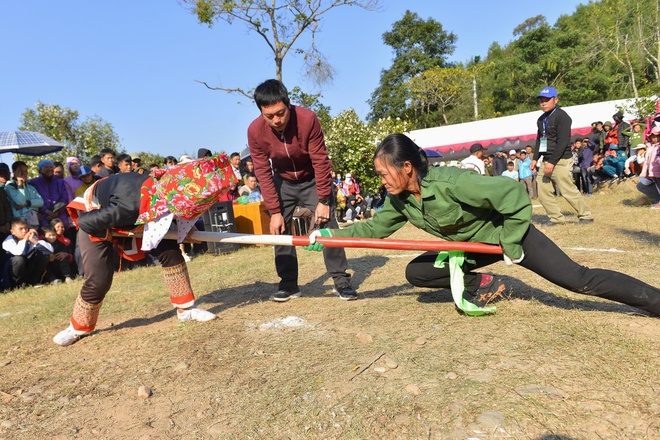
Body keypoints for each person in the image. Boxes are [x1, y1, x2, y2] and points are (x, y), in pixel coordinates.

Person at [305, 133, 660, 316]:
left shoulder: (451, 183)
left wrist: (510, 240)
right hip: (472, 249)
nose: (381, 180)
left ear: (407, 167)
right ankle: (487, 283)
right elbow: (373, 229)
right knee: (418, 273)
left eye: (384, 173)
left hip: (509, 237)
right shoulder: (399, 199)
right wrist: (330, 236)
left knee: (578, 281)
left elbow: (513, 195)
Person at [52, 154, 237, 346]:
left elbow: (176, 206)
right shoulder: (129, 204)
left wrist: (186, 225)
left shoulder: (167, 187)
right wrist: (105, 231)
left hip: (138, 210)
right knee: (99, 279)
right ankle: (78, 327)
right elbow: (85, 222)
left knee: (170, 253)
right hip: (95, 215)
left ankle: (186, 310)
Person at [247, 78, 357, 302]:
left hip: (311, 178)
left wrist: (324, 200)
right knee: (279, 230)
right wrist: (274, 211)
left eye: (280, 113)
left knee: (327, 227)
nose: (276, 120)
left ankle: (341, 281)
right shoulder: (255, 131)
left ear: (288, 104)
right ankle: (288, 284)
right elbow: (262, 171)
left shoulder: (307, 119)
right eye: (269, 116)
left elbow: (320, 159)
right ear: (261, 112)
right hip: (283, 181)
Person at [531, 86, 593, 225]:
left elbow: (563, 142)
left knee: (567, 189)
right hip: (546, 160)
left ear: (556, 99)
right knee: (542, 190)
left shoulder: (562, 117)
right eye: (541, 100)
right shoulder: (541, 120)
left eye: (547, 100)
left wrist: (552, 162)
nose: (543, 103)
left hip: (561, 160)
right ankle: (556, 218)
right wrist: (535, 158)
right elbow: (540, 140)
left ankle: (586, 215)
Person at [2, 217, 50, 288]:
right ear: (12, 232)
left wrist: (34, 240)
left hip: (27, 269)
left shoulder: (30, 237)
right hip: (13, 273)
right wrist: (25, 240)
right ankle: (16, 285)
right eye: (20, 229)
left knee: (44, 256)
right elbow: (20, 252)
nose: (24, 231)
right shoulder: (8, 241)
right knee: (19, 259)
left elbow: (49, 250)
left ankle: (32, 282)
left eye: (26, 228)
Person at [28, 159, 71, 228]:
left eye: (51, 167)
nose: (49, 169)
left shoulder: (60, 182)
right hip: (44, 218)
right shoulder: (34, 182)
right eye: (46, 167)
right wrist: (46, 211)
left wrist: (57, 211)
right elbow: (34, 198)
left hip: (60, 218)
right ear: (40, 170)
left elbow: (64, 198)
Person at [4, 161, 44, 229]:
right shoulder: (10, 186)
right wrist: (20, 185)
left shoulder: (30, 186)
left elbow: (41, 202)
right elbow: (20, 201)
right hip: (20, 222)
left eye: (25, 171)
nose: (23, 173)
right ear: (14, 172)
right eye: (20, 171)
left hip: (34, 220)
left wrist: (27, 203)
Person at [637, 126, 660, 208]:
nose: (655, 139)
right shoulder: (651, 147)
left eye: (657, 137)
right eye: (653, 137)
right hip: (653, 171)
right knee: (658, 187)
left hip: (658, 170)